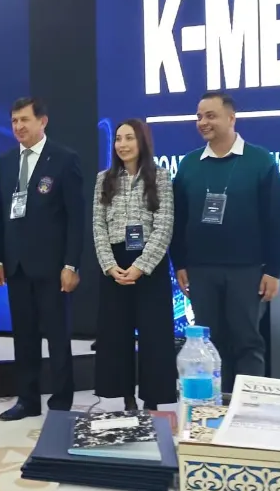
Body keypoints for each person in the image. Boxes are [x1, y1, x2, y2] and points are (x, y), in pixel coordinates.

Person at [170, 91, 280, 394]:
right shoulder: (189, 164)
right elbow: (178, 219)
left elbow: (276, 219)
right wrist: (179, 263)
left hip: (247, 269)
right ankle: (213, 407)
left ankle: (250, 406)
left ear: (231, 118)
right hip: (200, 269)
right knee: (209, 343)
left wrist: (273, 269)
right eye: (199, 116)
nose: (203, 122)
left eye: (210, 116)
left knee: (247, 341)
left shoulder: (260, 161)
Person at [0, 97, 85, 421]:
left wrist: (71, 264)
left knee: (57, 338)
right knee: (24, 337)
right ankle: (27, 400)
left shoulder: (64, 159)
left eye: (24, 120)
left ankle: (60, 402)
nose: (18, 126)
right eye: (14, 121)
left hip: (53, 267)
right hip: (16, 266)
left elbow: (76, 218)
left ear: (42, 121)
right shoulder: (6, 161)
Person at [92, 119, 176, 410]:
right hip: (115, 265)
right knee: (116, 334)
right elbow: (98, 227)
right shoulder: (104, 179)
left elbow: (164, 226)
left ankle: (153, 400)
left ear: (142, 141)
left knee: (154, 334)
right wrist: (108, 265)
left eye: (129, 138)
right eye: (118, 139)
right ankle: (125, 397)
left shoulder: (160, 177)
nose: (122, 144)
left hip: (149, 265)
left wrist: (141, 266)